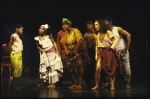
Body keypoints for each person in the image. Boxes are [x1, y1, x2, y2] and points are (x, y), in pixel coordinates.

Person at [92, 19, 122, 90]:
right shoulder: (98, 34)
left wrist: (112, 46)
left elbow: (116, 39)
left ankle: (112, 86)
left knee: (111, 68)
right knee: (97, 68)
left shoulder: (108, 32)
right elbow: (97, 45)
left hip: (108, 51)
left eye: (96, 24)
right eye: (95, 25)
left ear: (101, 24)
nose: (95, 26)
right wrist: (96, 55)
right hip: (100, 51)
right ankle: (97, 85)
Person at [60, 18, 89, 90]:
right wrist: (67, 52)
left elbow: (79, 41)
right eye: (62, 25)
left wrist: (75, 51)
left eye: (64, 25)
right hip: (70, 53)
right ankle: (75, 83)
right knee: (71, 68)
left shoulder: (75, 31)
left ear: (68, 25)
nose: (63, 27)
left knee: (78, 68)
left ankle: (79, 84)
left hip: (78, 52)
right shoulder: (66, 33)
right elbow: (64, 43)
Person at [104, 16, 131, 88]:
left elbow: (128, 35)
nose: (105, 24)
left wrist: (126, 48)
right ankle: (109, 83)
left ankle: (127, 83)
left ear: (110, 23)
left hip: (122, 50)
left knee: (126, 68)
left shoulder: (117, 29)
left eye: (106, 22)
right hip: (112, 52)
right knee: (111, 67)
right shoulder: (105, 31)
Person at [34, 24, 63, 88]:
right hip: (46, 53)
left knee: (52, 67)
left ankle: (53, 83)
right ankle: (45, 82)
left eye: (42, 29)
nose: (40, 30)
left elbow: (54, 42)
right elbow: (37, 46)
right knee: (46, 68)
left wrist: (57, 50)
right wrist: (40, 49)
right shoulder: (37, 38)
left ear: (45, 31)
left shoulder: (48, 36)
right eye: (40, 28)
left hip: (52, 52)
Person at [8, 24, 24, 89]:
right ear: (17, 29)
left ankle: (13, 85)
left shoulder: (18, 36)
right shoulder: (14, 36)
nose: (22, 31)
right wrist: (10, 54)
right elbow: (10, 44)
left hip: (18, 54)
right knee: (15, 70)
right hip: (15, 54)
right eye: (21, 29)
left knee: (17, 70)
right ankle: (13, 86)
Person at [83, 20, 96, 86]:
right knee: (88, 67)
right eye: (87, 25)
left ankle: (100, 82)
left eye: (90, 25)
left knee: (97, 67)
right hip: (89, 51)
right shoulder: (86, 35)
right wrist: (86, 53)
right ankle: (88, 82)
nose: (89, 26)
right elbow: (84, 45)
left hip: (97, 51)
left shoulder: (97, 33)